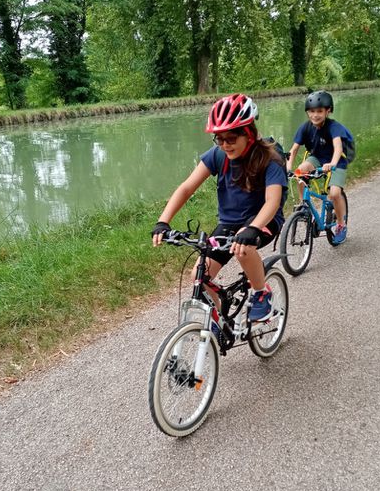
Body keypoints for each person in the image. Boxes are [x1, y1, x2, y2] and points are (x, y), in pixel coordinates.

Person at [151, 93, 287, 322]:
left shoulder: (269, 158)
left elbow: (272, 201)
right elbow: (186, 188)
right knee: (199, 275)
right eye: (219, 139)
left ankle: (261, 292)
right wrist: (163, 221)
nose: (225, 144)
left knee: (243, 247)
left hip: (264, 221)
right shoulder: (218, 155)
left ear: (249, 133)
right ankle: (217, 320)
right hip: (229, 223)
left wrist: (253, 228)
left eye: (231, 138)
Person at [287, 90, 353, 245]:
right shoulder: (305, 128)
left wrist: (332, 164)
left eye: (319, 111)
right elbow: (294, 149)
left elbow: (338, 148)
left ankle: (341, 225)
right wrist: (288, 168)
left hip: (336, 162)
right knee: (300, 171)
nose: (315, 115)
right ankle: (305, 206)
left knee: (335, 193)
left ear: (327, 111)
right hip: (317, 158)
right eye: (311, 111)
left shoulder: (333, 127)